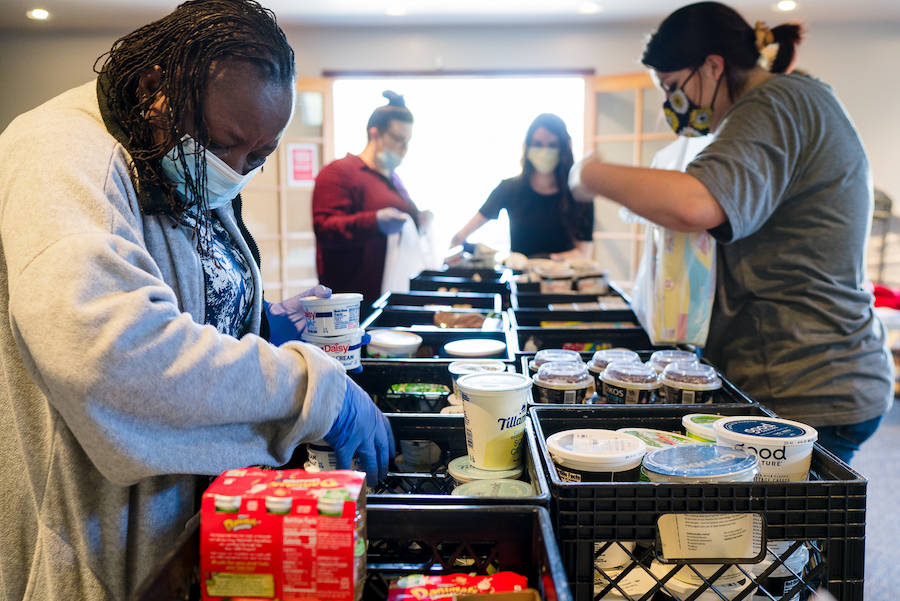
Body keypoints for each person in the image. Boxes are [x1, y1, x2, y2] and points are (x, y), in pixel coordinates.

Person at [0, 1, 393, 599]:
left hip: (190, 528)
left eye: (258, 158)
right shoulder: (60, 154)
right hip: (105, 555)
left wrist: (256, 320)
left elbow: (179, 289)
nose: (235, 173)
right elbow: (111, 355)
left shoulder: (169, 151)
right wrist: (312, 393)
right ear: (156, 88)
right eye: (224, 146)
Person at [569, 1, 893, 464]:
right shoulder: (793, 101)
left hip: (806, 377)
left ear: (714, 66)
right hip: (812, 369)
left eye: (673, 87)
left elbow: (695, 203)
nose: (671, 105)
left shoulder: (774, 102)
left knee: (774, 534)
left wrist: (591, 173)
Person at [313, 92, 432, 302]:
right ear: (374, 133)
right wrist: (374, 222)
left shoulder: (394, 180)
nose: (404, 149)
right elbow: (325, 228)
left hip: (389, 298)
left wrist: (420, 219)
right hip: (352, 301)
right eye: (398, 140)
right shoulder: (340, 172)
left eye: (408, 141)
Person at [450, 113, 594, 260]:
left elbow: (583, 254)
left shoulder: (579, 195)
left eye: (552, 145)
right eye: (538, 144)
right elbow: (462, 235)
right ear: (527, 147)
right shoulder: (509, 189)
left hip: (562, 280)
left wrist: (544, 260)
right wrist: (455, 248)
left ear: (564, 148)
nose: (544, 151)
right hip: (519, 279)